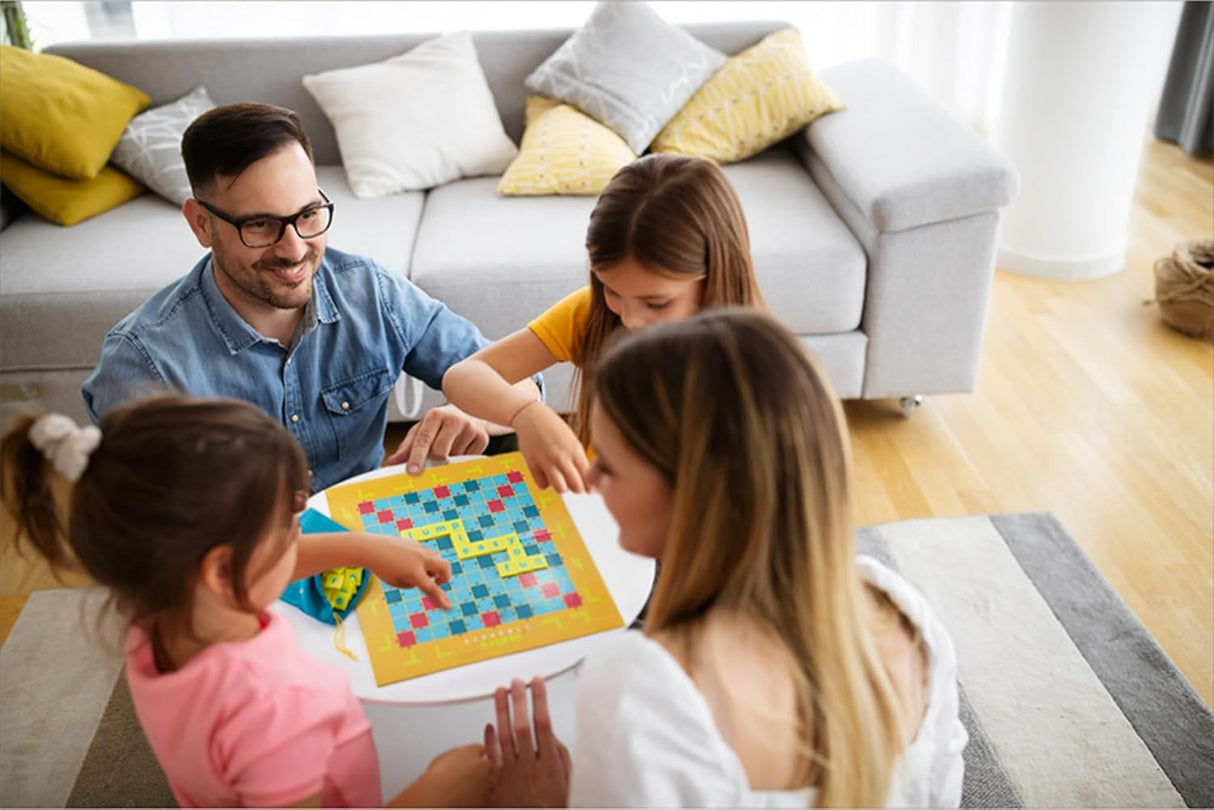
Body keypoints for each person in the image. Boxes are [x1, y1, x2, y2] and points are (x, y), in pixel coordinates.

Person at [480, 310, 968, 808]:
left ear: (691, 493)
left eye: (608, 463)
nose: (590, 481)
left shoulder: (643, 688)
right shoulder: (906, 615)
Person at [0, 394, 490, 807]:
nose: (299, 529)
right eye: (285, 525)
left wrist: (366, 547)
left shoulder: (156, 615)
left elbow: (254, 567)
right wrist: (438, 790)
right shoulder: (274, 709)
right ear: (220, 571)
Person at [81, 103, 540, 493]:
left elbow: (521, 381)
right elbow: (148, 537)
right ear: (202, 224)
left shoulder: (371, 292)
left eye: (308, 213)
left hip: (369, 534)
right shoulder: (144, 364)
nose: (295, 249)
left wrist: (470, 414)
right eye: (259, 224)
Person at [442, 153, 763, 494]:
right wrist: (525, 414)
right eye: (612, 290)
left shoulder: (756, 370)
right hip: (594, 514)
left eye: (657, 303)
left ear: (715, 277)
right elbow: (463, 376)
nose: (630, 319)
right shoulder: (593, 313)